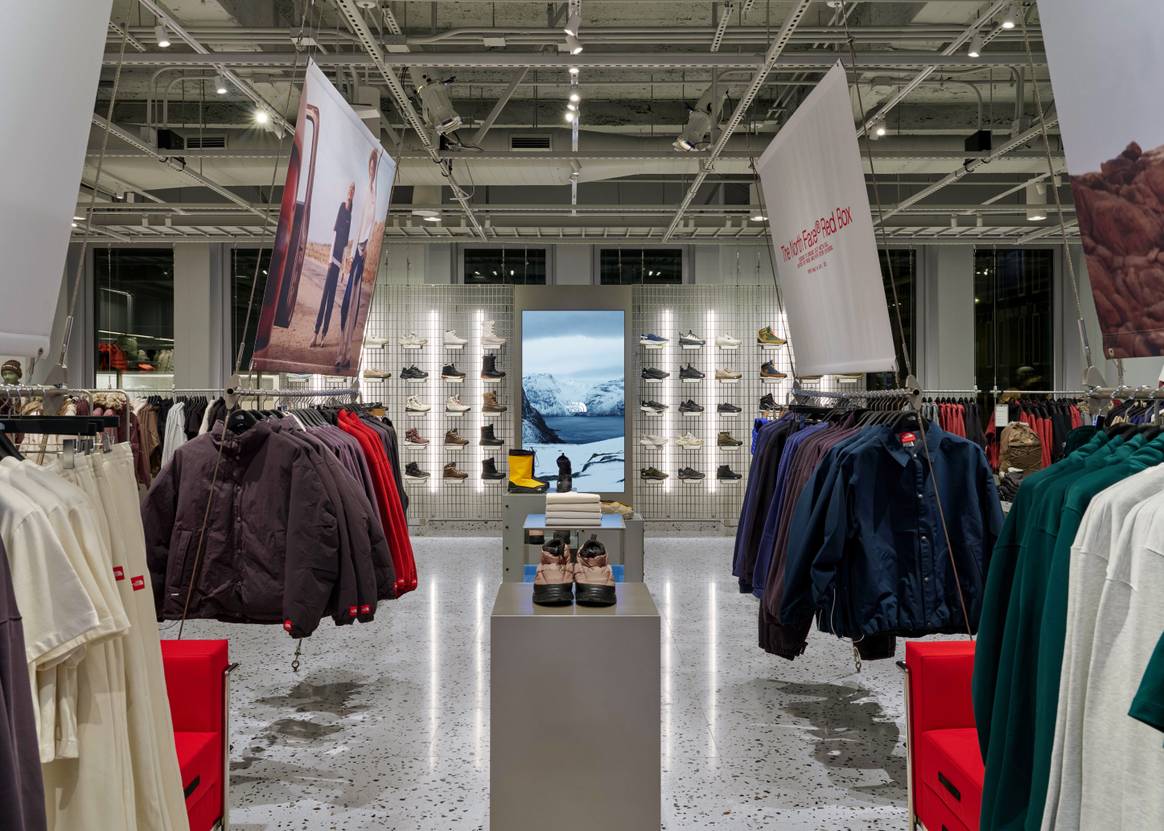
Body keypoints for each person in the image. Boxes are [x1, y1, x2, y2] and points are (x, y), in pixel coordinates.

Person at [336, 149, 380, 370]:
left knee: (354, 306)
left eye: (374, 167)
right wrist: (349, 254)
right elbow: (356, 226)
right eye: (370, 166)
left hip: (362, 252)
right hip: (355, 252)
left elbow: (370, 226)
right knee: (346, 306)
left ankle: (346, 354)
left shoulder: (373, 195)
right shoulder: (365, 194)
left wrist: (365, 248)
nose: (371, 170)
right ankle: (341, 352)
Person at [310, 183, 354, 348]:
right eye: (350, 190)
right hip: (331, 262)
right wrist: (329, 259)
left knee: (330, 302)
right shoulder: (342, 208)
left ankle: (323, 335)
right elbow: (335, 233)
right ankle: (315, 334)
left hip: (338, 264)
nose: (351, 193)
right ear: (347, 192)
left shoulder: (350, 214)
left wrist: (343, 268)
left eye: (353, 191)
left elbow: (344, 246)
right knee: (324, 299)